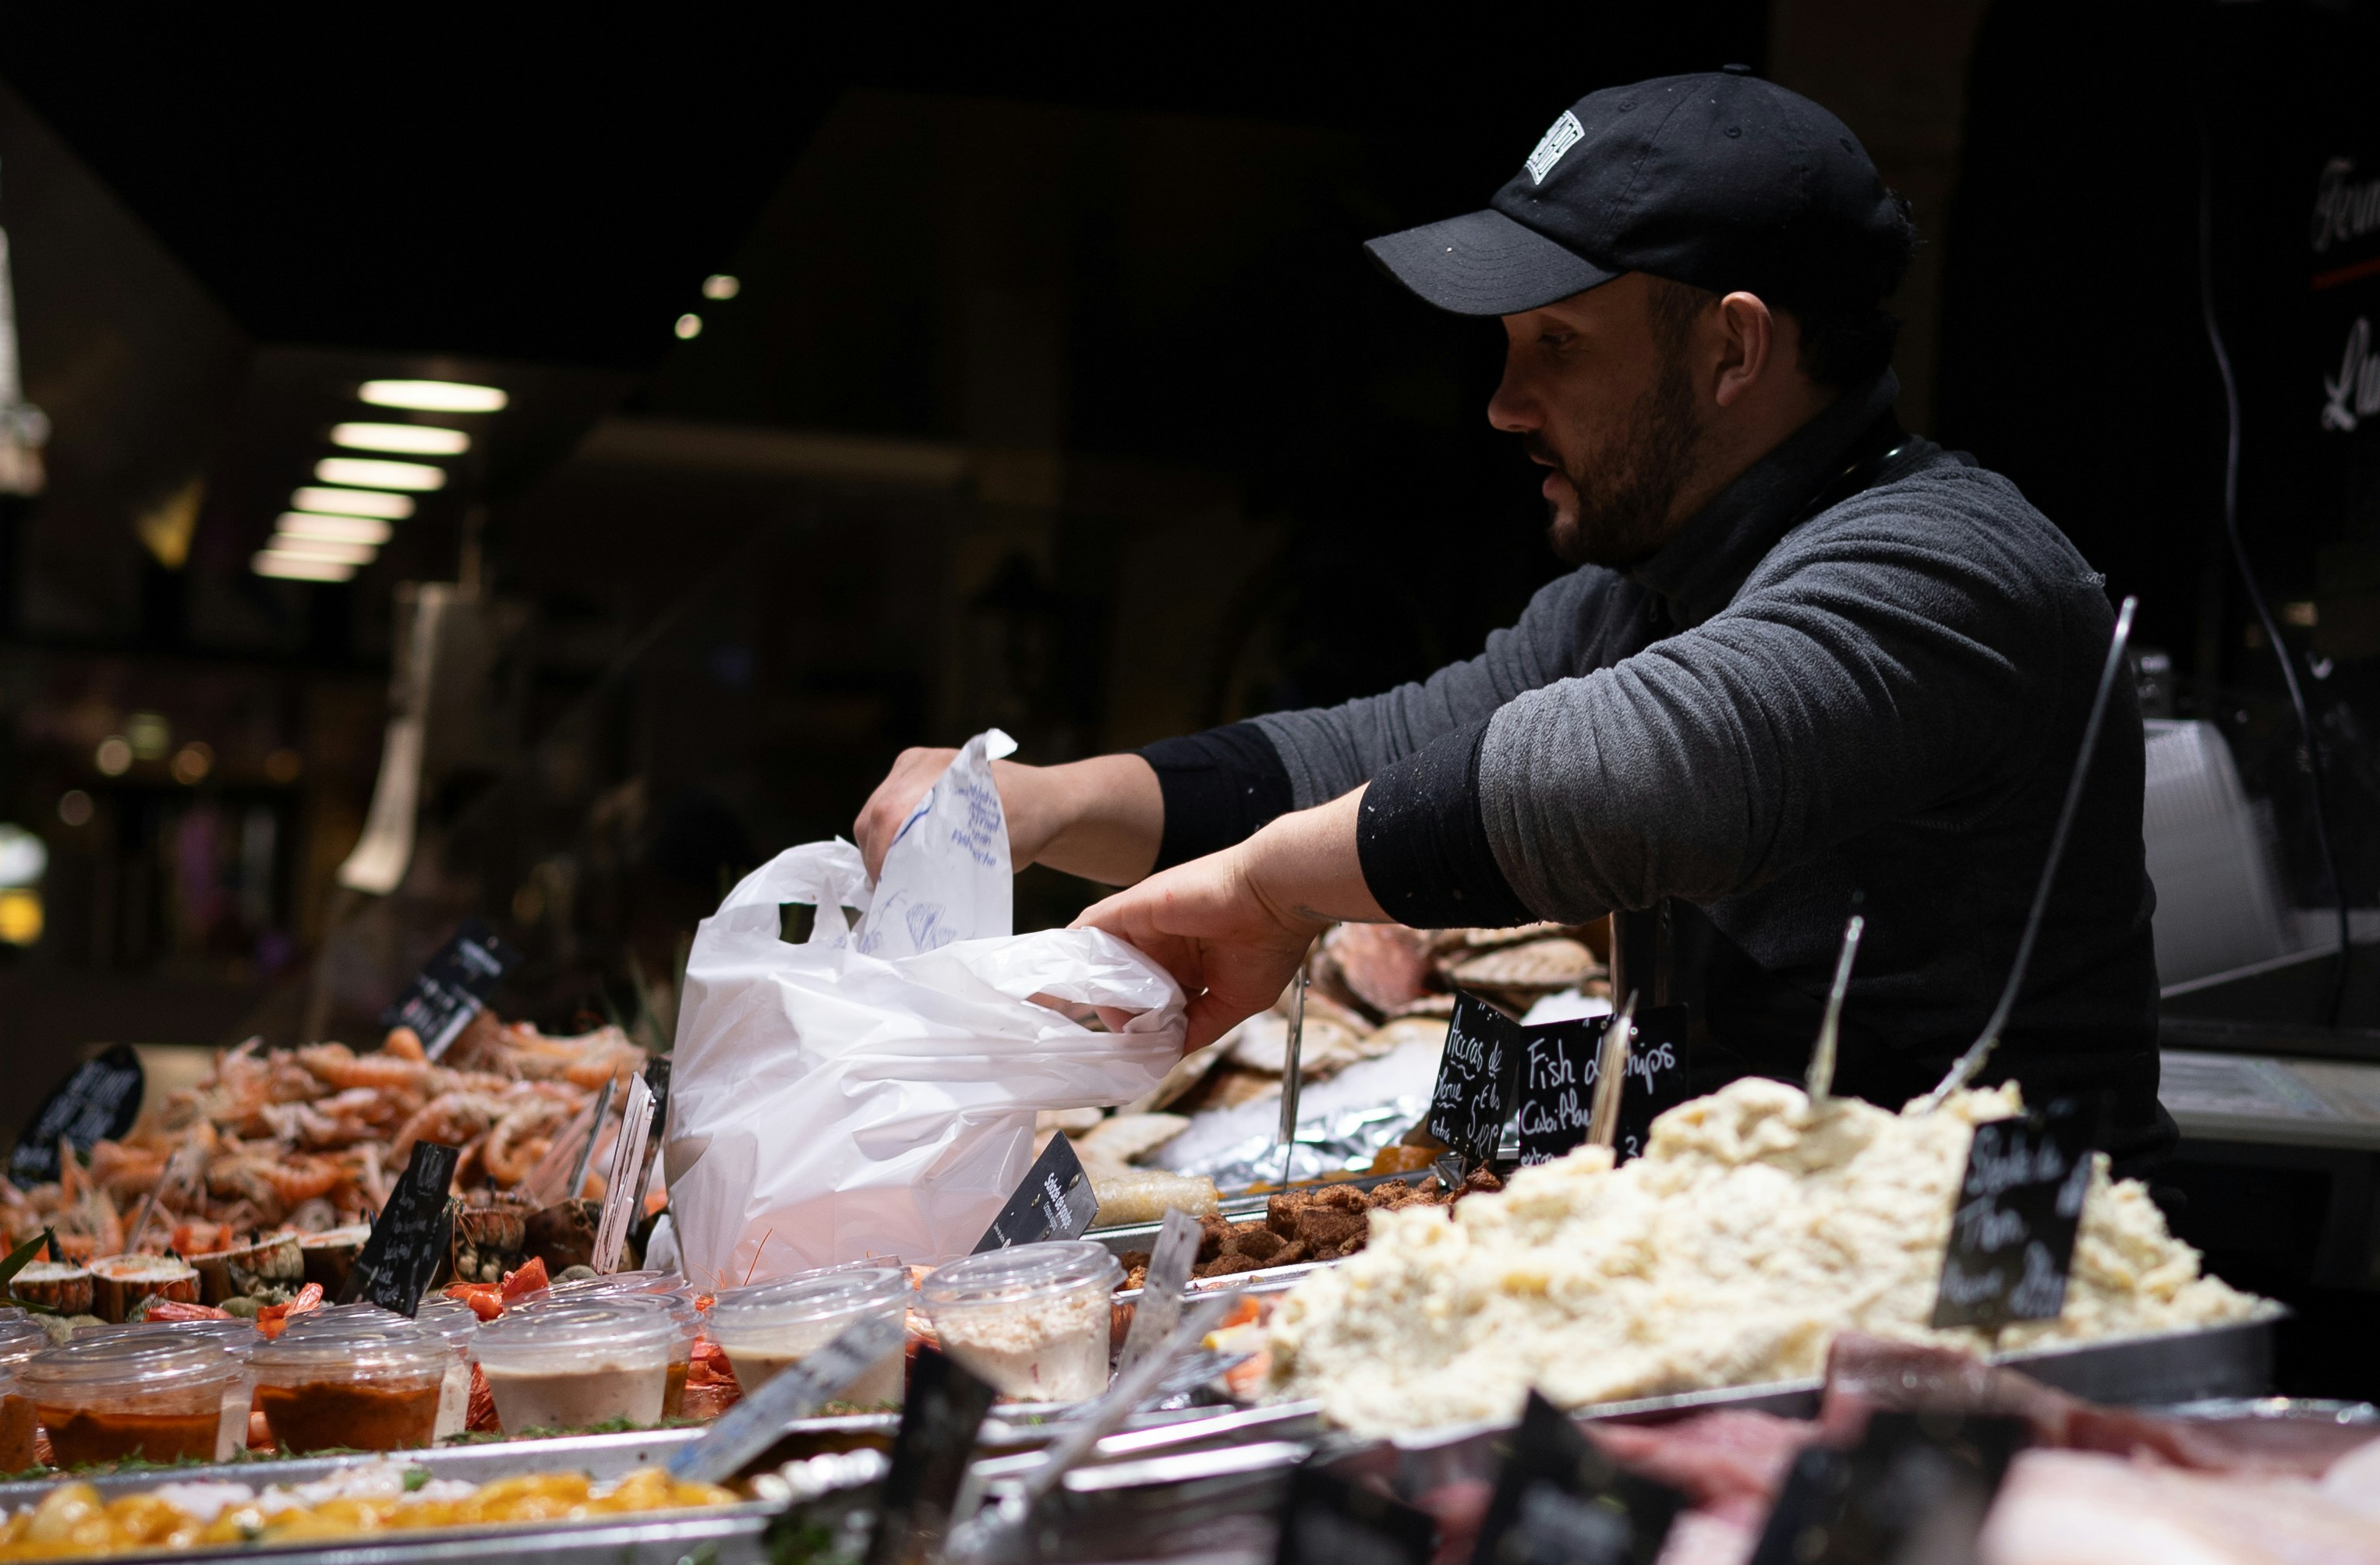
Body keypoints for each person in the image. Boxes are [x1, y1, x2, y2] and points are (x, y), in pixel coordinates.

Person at [855, 70, 2163, 1159]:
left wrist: (1269, 888)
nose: (1503, 403)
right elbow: (1388, 747)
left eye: (1559, 346)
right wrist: (1050, 804)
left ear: (1734, 348)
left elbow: (1640, 775)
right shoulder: (1641, 593)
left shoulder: (1949, 564)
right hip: (1775, 1275)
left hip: (2010, 1303)